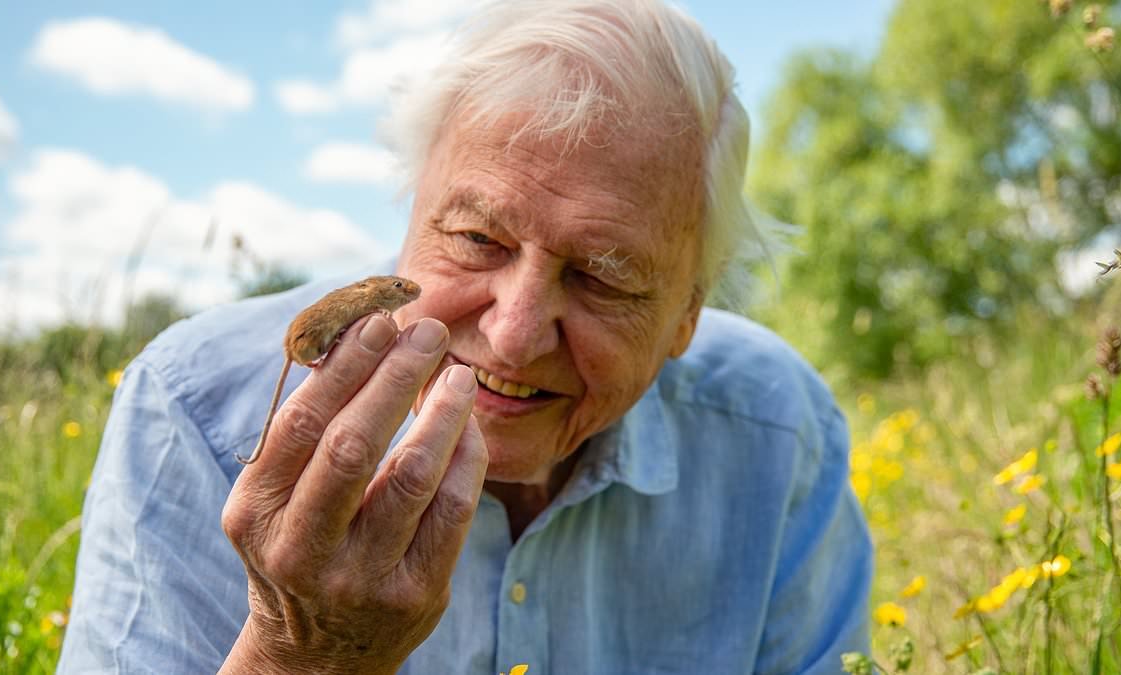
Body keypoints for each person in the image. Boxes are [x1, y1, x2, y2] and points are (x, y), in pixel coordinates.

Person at [58, 0, 873, 672]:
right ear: (412, 210)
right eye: (479, 241)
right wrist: (299, 655)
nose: (514, 337)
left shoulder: (775, 431)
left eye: (603, 276)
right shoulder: (194, 410)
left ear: (688, 315)